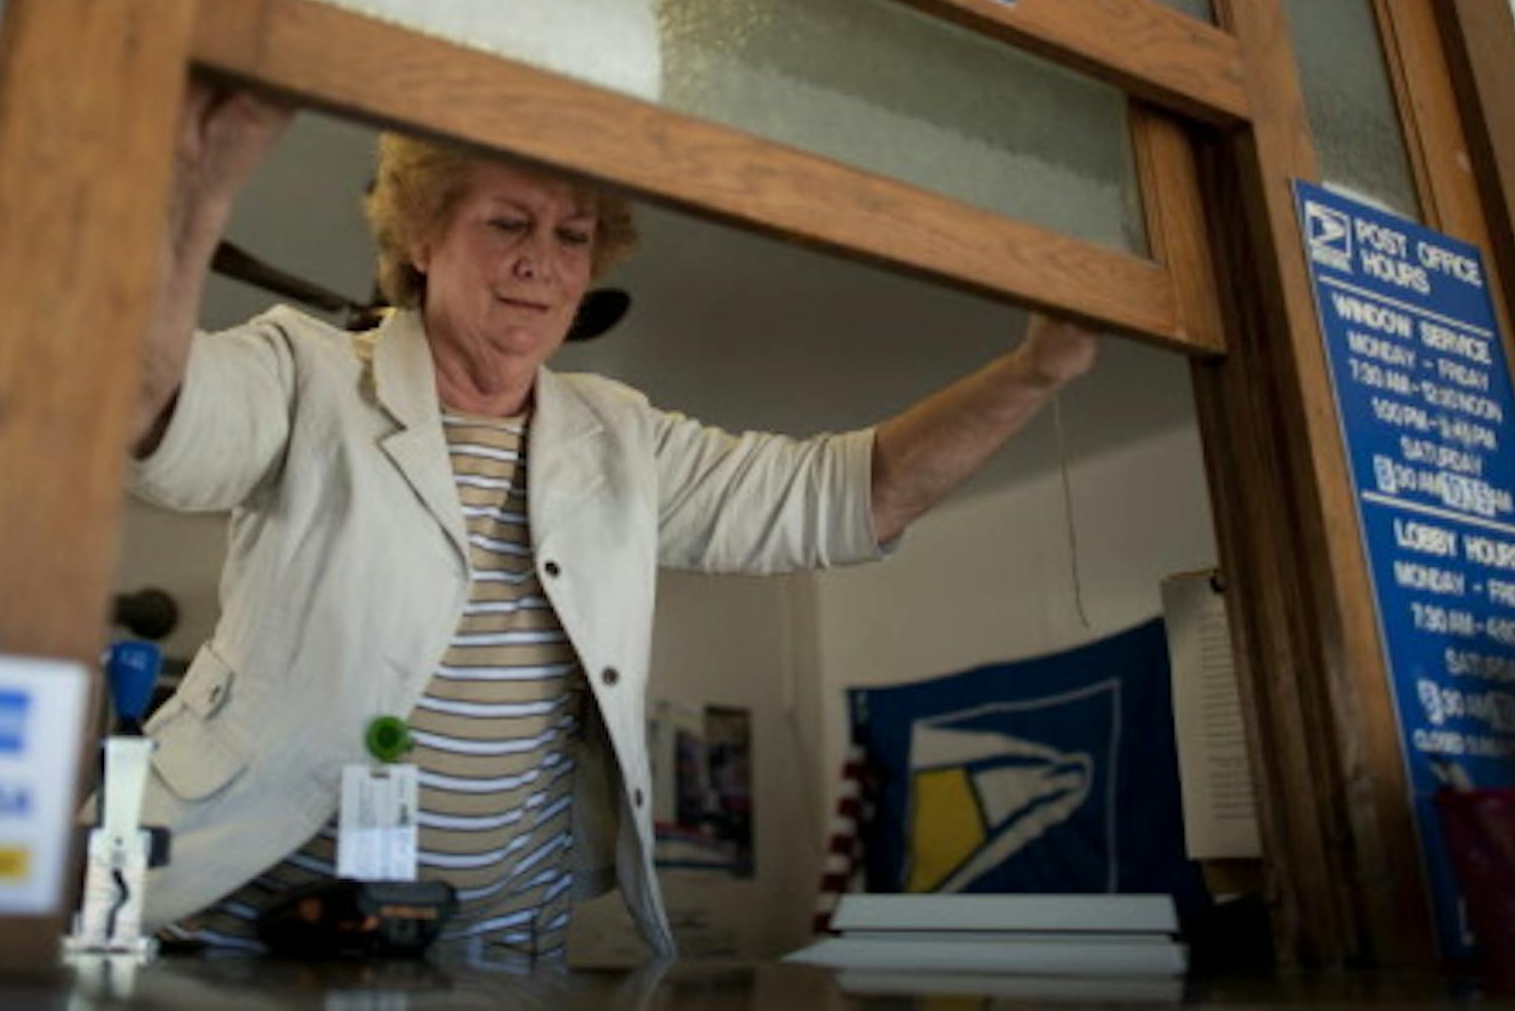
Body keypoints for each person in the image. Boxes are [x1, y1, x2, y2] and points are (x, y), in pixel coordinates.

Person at [126, 81, 1098, 962]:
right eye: (509, 222)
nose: (539, 265)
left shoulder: (621, 436)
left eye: (572, 236)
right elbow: (154, 413)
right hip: (242, 930)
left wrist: (1034, 374)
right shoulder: (310, 373)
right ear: (421, 237)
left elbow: (843, 497)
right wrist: (197, 199)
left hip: (502, 951)